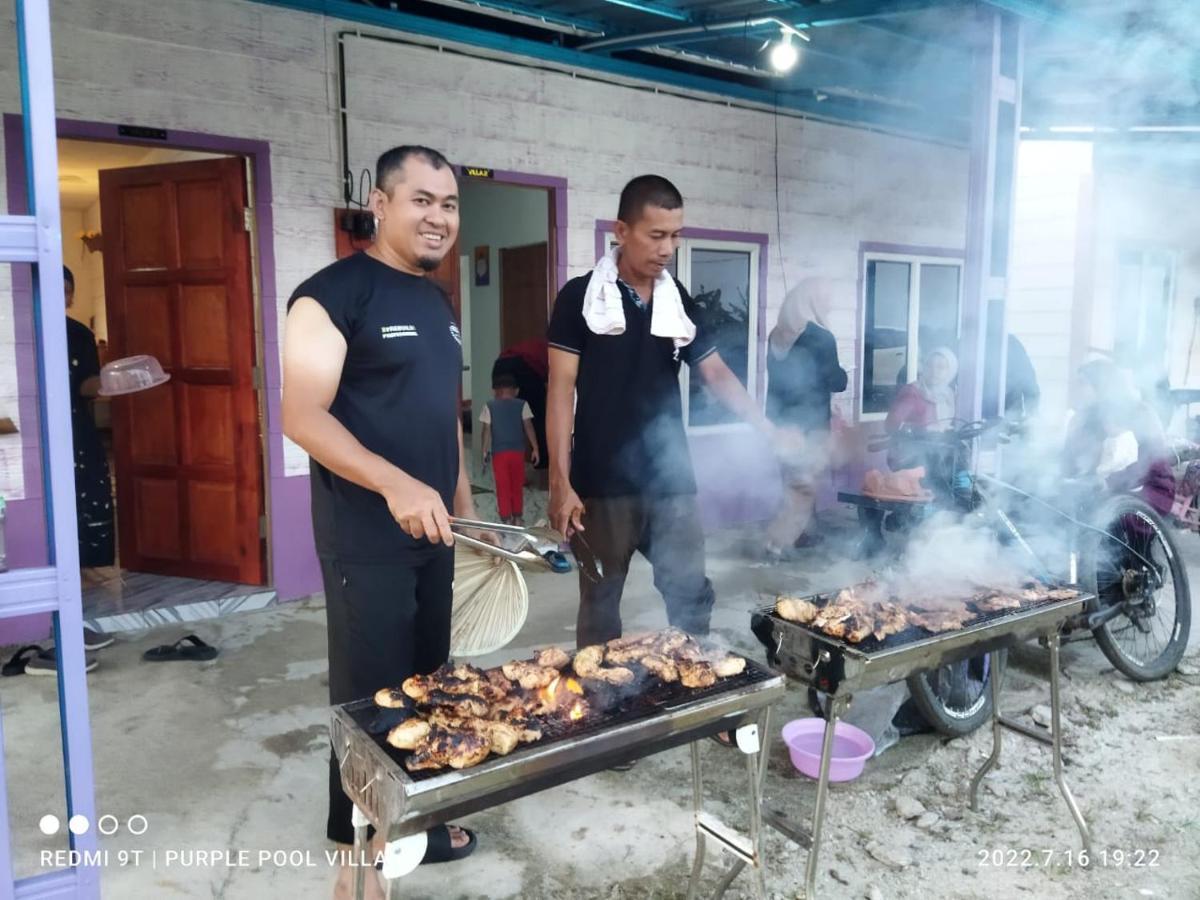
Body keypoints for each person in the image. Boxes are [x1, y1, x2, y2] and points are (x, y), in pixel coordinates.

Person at [281, 145, 479, 900]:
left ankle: (414, 822)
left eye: (450, 204)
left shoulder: (437, 303)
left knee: (429, 684)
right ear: (380, 203)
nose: (438, 217)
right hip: (364, 539)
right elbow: (301, 414)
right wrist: (396, 483)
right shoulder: (331, 296)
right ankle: (354, 860)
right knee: (370, 699)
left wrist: (466, 510)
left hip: (435, 534)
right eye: (422, 200)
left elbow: (443, 419)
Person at [547, 174, 800, 650]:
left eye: (676, 235)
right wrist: (560, 484)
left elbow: (717, 373)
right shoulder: (580, 299)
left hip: (670, 481)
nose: (668, 248)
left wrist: (767, 429)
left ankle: (695, 676)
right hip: (601, 485)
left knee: (690, 594)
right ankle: (603, 706)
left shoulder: (675, 301)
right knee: (601, 606)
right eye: (656, 235)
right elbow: (560, 390)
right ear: (621, 231)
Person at [763, 278, 848, 559]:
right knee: (804, 484)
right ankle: (782, 544)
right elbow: (836, 381)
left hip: (779, 420)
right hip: (810, 424)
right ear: (814, 302)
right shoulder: (821, 337)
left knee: (791, 479)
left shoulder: (776, 334)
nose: (830, 306)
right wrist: (844, 370)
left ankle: (802, 535)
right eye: (826, 301)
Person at [1063, 358, 1174, 516]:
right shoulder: (1085, 418)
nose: (1075, 390)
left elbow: (1147, 462)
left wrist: (1107, 483)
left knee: (1102, 517)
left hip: (1148, 489)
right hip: (1103, 489)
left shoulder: (1139, 413)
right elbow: (1070, 460)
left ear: (1101, 385)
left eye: (1082, 384)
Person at [480, 371, 539, 524]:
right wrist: (536, 448)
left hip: (499, 453)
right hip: (518, 452)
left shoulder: (489, 406)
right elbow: (529, 427)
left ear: (494, 391)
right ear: (516, 390)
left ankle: (506, 518)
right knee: (517, 485)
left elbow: (486, 430)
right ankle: (518, 517)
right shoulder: (522, 405)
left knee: (502, 486)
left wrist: (484, 450)